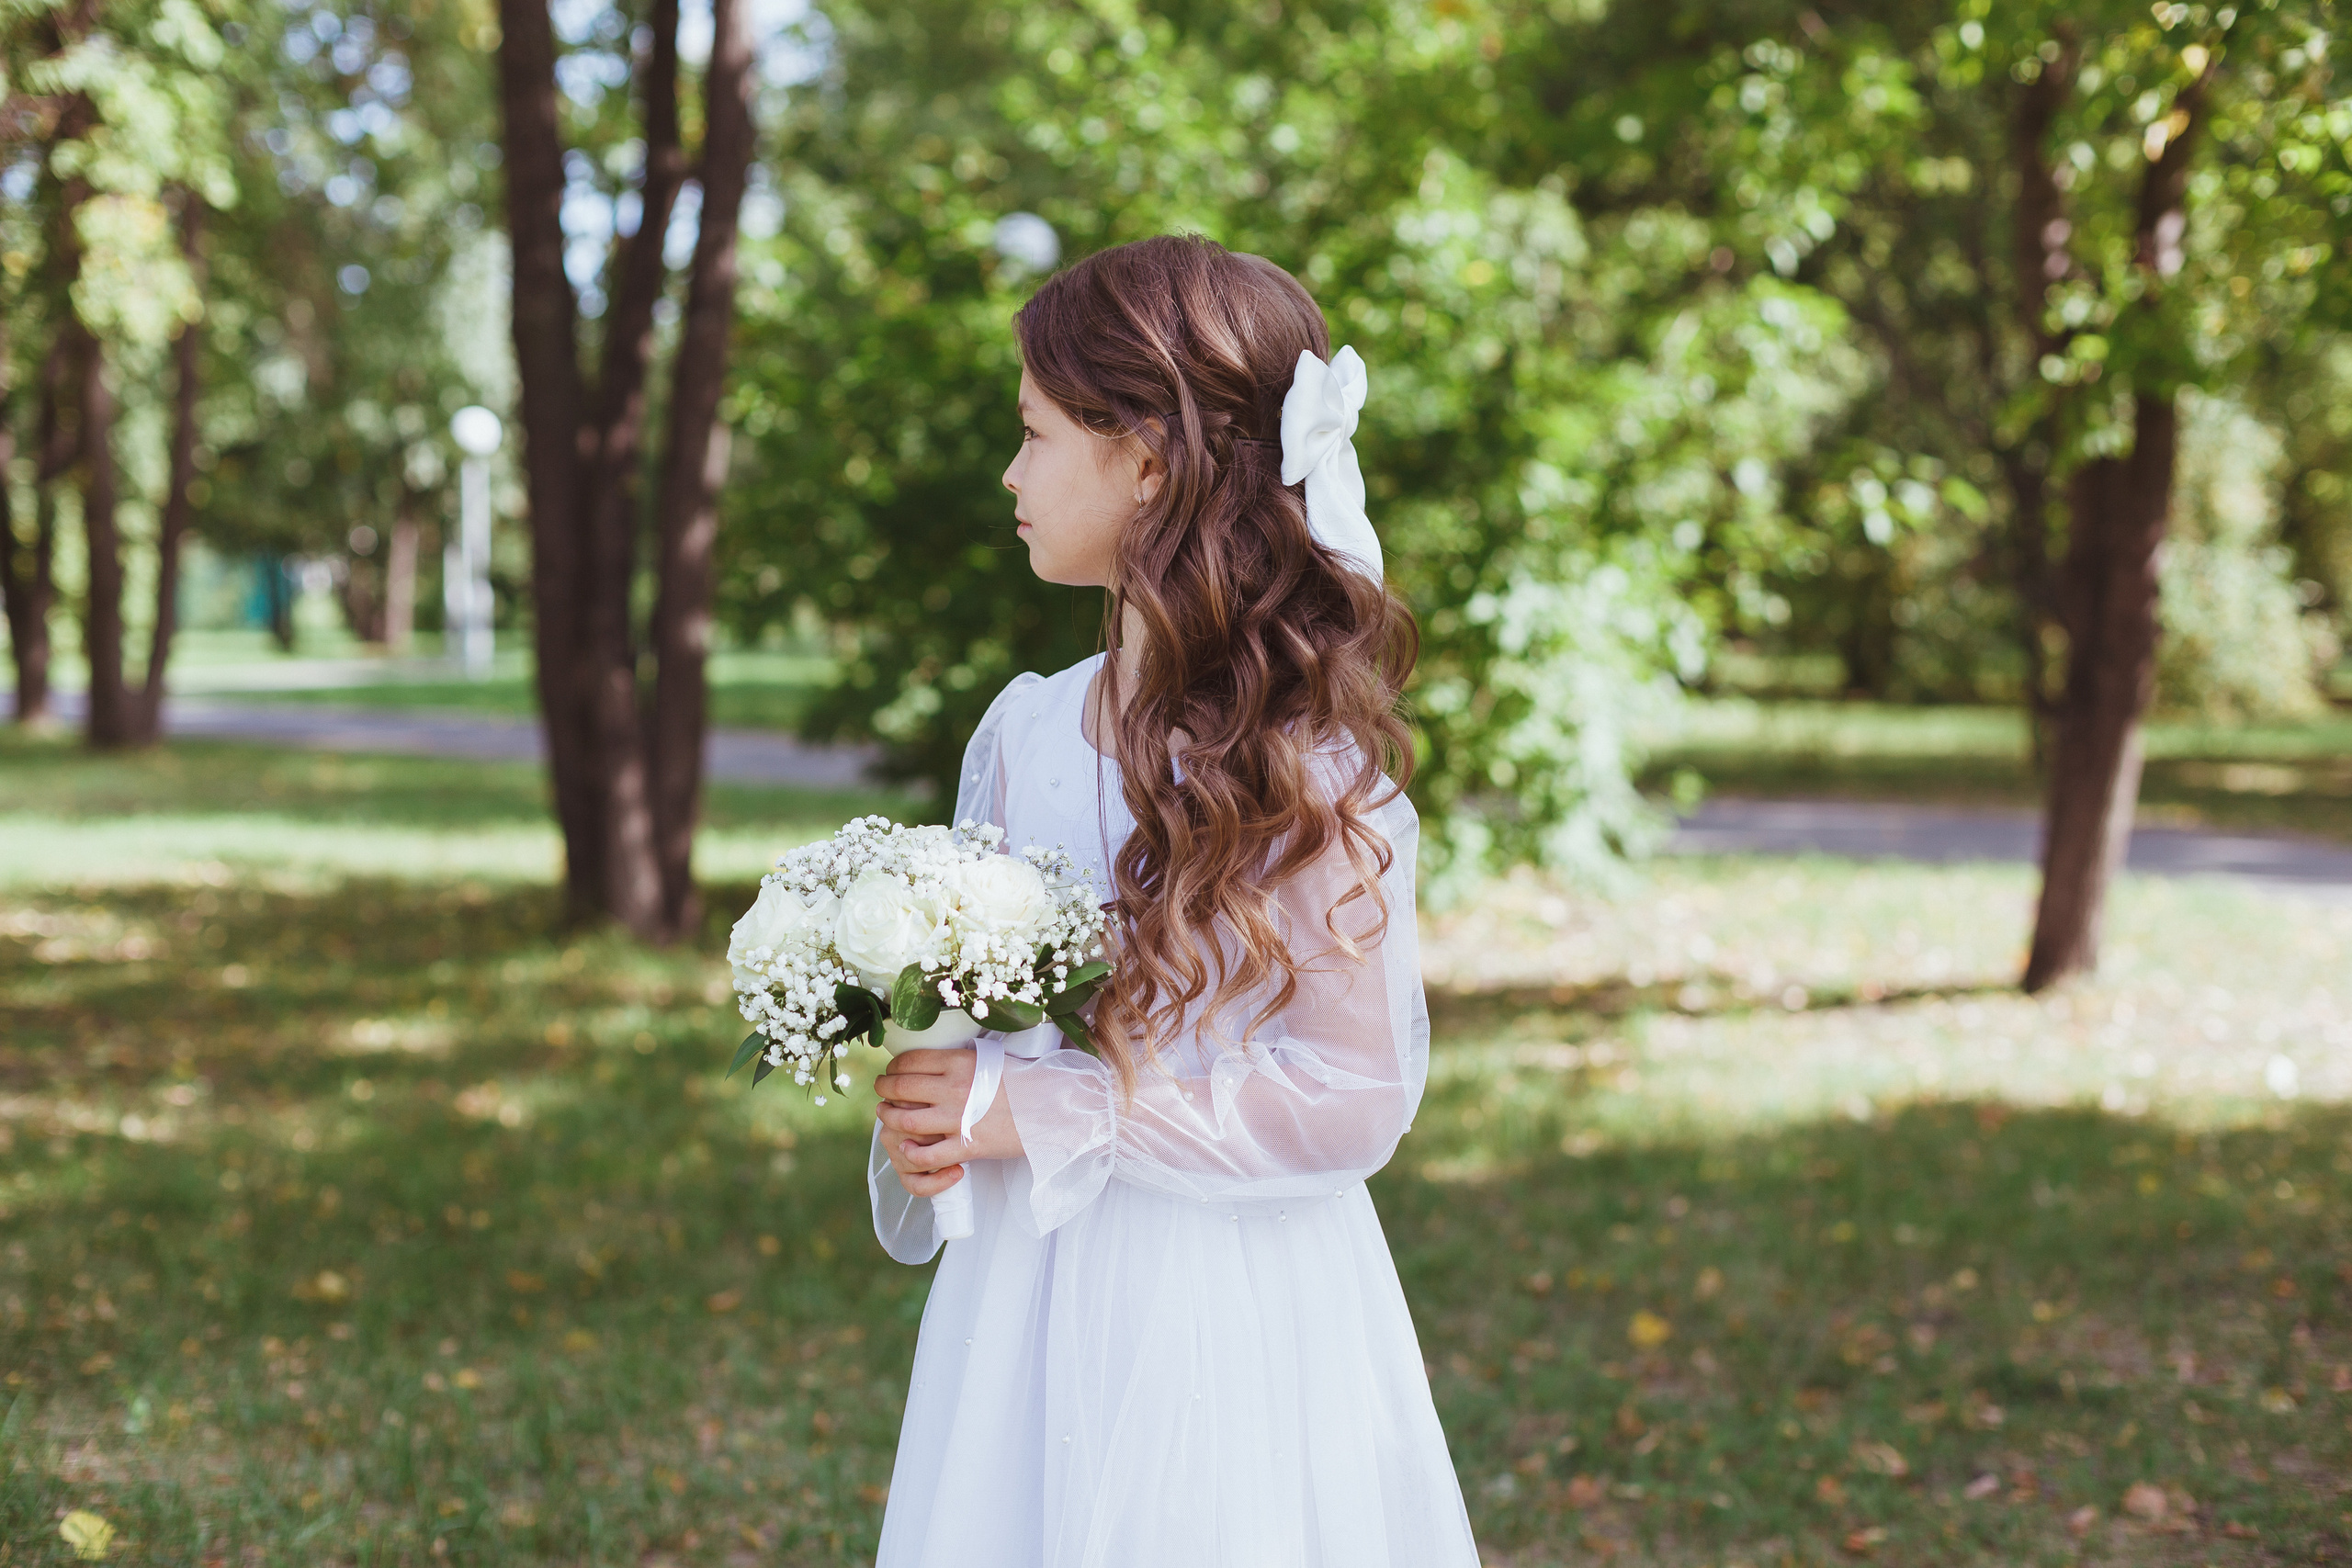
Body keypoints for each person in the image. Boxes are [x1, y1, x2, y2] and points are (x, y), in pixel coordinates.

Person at [866, 233, 1481, 1568]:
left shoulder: (1309, 771)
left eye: (1033, 435)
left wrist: (1065, 1109)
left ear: (1148, 460)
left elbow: (1355, 1093)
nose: (1011, 473)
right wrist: (941, 1092)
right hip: (1027, 1289)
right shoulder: (1024, 733)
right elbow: (992, 1007)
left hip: (1222, 1297)